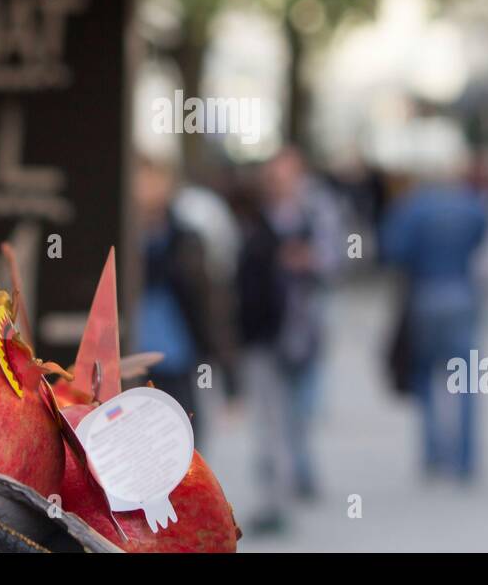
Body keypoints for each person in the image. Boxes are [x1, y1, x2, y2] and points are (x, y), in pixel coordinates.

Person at [235, 146, 343, 533]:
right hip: (266, 337)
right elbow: (244, 282)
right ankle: (275, 497)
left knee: (302, 413)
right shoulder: (256, 225)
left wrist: (310, 259)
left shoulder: (317, 217)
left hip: (305, 336)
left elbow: (338, 261)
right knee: (270, 421)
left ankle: (300, 471)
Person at [380, 121, 488, 481]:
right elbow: (485, 239)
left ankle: (433, 454)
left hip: (425, 295)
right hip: (461, 292)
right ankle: (465, 459)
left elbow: (393, 250)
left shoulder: (412, 207)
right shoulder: (470, 204)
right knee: (466, 381)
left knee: (426, 376)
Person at [132, 157, 235, 452]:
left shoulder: (185, 238)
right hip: (131, 355)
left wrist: (229, 375)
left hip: (176, 351)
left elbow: (210, 305)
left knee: (183, 434)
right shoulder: (123, 235)